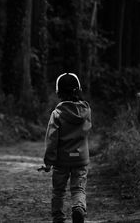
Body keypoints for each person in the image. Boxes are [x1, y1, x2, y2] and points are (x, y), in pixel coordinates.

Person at [43, 73, 92, 223]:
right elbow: (87, 129)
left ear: (58, 93)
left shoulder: (57, 114)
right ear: (79, 90)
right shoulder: (86, 111)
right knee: (78, 189)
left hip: (61, 160)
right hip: (81, 159)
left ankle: (58, 218)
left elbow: (52, 139)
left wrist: (48, 162)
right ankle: (78, 208)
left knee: (58, 191)